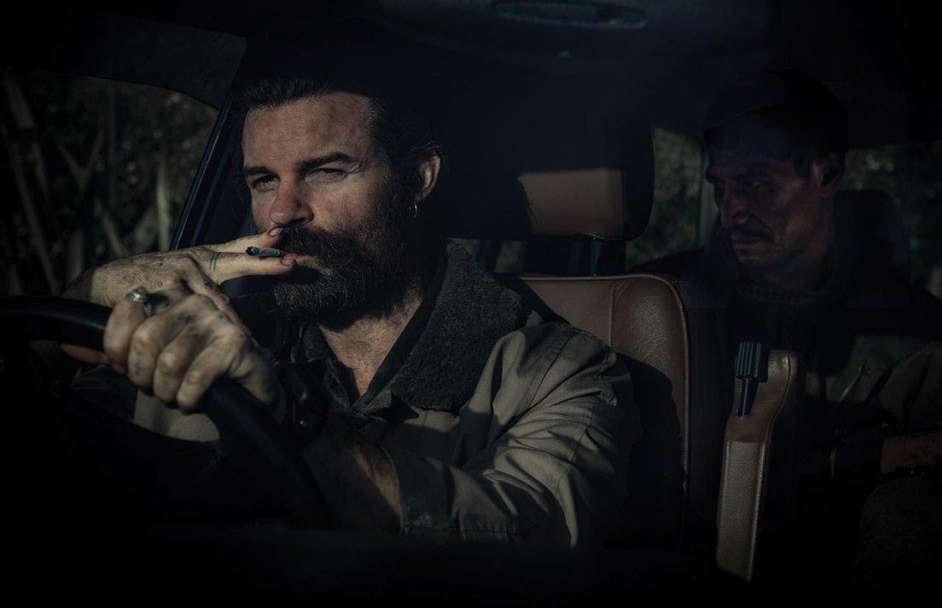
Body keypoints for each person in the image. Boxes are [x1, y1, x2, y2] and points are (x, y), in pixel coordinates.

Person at [56, 75, 641, 547]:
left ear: (419, 178)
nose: (282, 210)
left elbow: (526, 536)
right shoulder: (220, 333)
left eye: (326, 170)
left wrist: (292, 423)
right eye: (263, 180)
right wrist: (87, 292)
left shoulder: (558, 371)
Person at [634, 69, 942, 586]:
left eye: (756, 185)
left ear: (827, 174)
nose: (730, 214)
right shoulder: (659, 305)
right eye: (721, 187)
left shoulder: (927, 348)